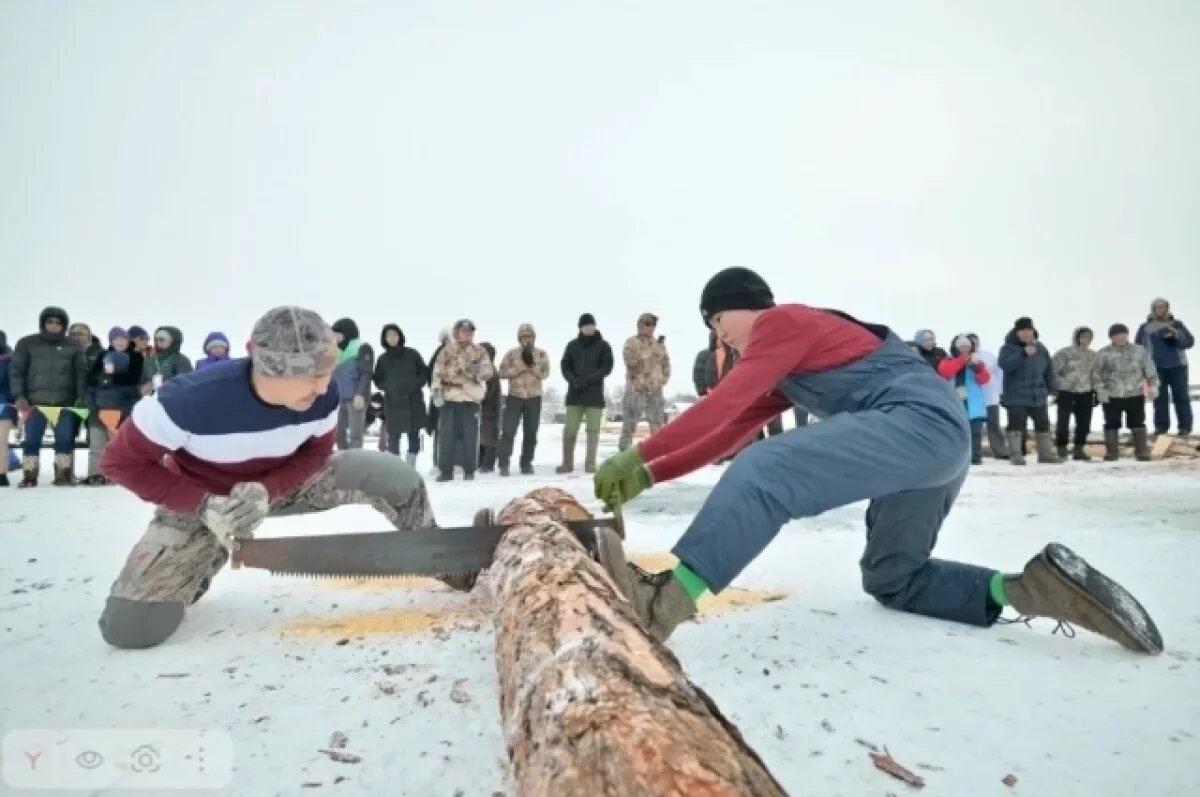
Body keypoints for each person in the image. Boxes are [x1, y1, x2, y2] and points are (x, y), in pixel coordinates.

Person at [590, 267, 1163, 658]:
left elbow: (725, 402)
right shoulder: (790, 360)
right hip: (935, 444)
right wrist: (648, 474)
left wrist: (639, 452)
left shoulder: (780, 323)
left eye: (718, 322)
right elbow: (727, 431)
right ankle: (1034, 591)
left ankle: (662, 603)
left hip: (918, 425)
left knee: (766, 472)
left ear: (740, 309)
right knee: (894, 578)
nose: (722, 337)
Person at [96, 306, 443, 649]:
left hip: (282, 482)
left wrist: (268, 489)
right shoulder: (184, 401)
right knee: (132, 627)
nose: (323, 389)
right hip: (205, 499)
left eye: (327, 373)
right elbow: (120, 462)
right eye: (309, 376)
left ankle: (449, 558)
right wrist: (203, 505)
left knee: (391, 475)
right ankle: (202, 556)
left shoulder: (323, 395)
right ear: (266, 367)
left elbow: (316, 453)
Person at [9, 306, 88, 486]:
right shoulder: (27, 343)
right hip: (34, 403)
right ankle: (29, 475)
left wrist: (80, 396)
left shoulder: (73, 346)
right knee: (31, 441)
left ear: (64, 325)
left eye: (58, 322)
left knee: (64, 440)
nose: (54, 325)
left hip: (64, 403)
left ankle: (63, 475)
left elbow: (81, 374)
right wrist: (19, 395)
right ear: (43, 323)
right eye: (50, 321)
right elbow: (16, 371)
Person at [432, 319, 493, 481]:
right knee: (446, 436)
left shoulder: (480, 351)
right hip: (450, 396)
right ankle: (445, 471)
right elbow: (437, 371)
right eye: (464, 330)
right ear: (456, 332)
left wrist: (476, 370)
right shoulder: (446, 351)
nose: (467, 334)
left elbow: (488, 372)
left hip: (469, 398)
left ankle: (469, 470)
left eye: (470, 331)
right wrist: (437, 393)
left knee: (470, 436)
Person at [998, 317, 1063, 465]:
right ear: (1016, 332)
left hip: (1038, 395)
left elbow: (1048, 370)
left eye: (1029, 330)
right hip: (1016, 396)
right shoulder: (1008, 348)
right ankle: (1016, 455)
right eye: (1022, 330)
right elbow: (1005, 365)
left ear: (1033, 331)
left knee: (1043, 423)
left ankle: (1045, 454)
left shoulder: (1041, 348)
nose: (1026, 333)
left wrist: (1053, 388)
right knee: (1016, 425)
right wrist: (1023, 354)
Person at [83, 327, 142, 485]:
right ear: (111, 341)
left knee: (117, 444)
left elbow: (132, 380)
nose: (120, 342)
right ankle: (95, 474)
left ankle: (116, 474)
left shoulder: (135, 357)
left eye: (123, 339)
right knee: (96, 443)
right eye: (116, 339)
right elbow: (91, 379)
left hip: (121, 408)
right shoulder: (103, 355)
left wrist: (111, 378)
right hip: (98, 407)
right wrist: (92, 401)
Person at [1094, 323, 1159, 461]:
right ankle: (1112, 453)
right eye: (1117, 335)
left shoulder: (1139, 350)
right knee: (1111, 423)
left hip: (1134, 393)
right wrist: (1100, 390)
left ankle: (1141, 452)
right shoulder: (1103, 353)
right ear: (1112, 337)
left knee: (1138, 422)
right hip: (1112, 395)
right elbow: (1096, 374)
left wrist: (1153, 386)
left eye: (1124, 334)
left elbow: (1150, 370)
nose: (1121, 337)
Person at [558, 313, 613, 474]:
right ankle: (567, 463)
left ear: (595, 326)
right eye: (586, 325)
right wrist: (573, 380)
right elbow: (565, 366)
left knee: (593, 430)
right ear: (580, 328)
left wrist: (588, 380)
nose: (589, 327)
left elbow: (606, 367)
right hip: (574, 395)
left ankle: (590, 464)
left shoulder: (604, 346)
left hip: (594, 395)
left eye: (591, 325)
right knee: (570, 429)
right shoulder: (572, 346)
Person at [497, 323, 551, 476]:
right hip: (515, 397)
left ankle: (526, 463)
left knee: (531, 432)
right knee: (508, 431)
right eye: (524, 337)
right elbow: (501, 372)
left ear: (534, 338)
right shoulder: (511, 354)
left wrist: (532, 366)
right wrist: (518, 368)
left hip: (534, 397)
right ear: (519, 338)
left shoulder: (541, 354)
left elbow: (545, 373)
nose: (527, 340)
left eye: (529, 337)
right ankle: (503, 464)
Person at [1135, 298, 1192, 437]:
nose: (1161, 310)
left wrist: (1176, 336)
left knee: (1181, 397)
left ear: (1167, 308)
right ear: (1153, 309)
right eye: (1157, 307)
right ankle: (1161, 427)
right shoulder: (1145, 327)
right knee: (1159, 398)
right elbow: (1138, 348)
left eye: (1163, 307)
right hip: (1156, 368)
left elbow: (1189, 342)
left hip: (1178, 366)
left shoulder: (1176, 324)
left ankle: (1184, 427)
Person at [372, 324, 427, 466]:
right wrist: (388, 387)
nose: (392, 338)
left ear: (400, 336)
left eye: (394, 335)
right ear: (384, 339)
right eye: (388, 336)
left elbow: (424, 372)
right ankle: (395, 467)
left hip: (413, 400)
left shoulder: (412, 354)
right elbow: (377, 379)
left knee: (413, 435)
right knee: (394, 437)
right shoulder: (382, 359)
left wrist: (416, 384)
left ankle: (410, 466)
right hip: (393, 402)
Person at [936, 334, 991, 465]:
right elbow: (945, 372)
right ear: (956, 348)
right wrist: (961, 361)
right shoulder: (948, 360)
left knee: (975, 434)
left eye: (967, 347)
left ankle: (976, 457)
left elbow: (985, 379)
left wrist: (978, 369)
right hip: (955, 404)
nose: (965, 349)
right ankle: (957, 459)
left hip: (974, 405)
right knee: (956, 433)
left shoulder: (978, 361)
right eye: (962, 347)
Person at [619, 313, 671, 451]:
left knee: (657, 427)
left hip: (655, 391)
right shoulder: (631, 343)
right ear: (640, 325)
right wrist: (649, 354)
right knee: (629, 426)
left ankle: (657, 454)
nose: (651, 327)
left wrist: (662, 379)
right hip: (636, 390)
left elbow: (666, 363)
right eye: (648, 324)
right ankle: (624, 453)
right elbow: (631, 363)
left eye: (653, 325)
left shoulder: (659, 345)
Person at [1051, 327, 1098, 461]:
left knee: (1084, 423)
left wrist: (1096, 391)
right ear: (1076, 337)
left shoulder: (1093, 356)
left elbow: (1097, 375)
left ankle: (1079, 449)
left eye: (1089, 338)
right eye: (1083, 337)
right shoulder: (1064, 353)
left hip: (1086, 392)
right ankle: (1061, 449)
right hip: (1066, 392)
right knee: (1063, 423)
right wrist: (1060, 386)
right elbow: (1053, 372)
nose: (1086, 340)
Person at [330, 318, 374, 450]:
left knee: (355, 434)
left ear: (346, 333)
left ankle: (355, 463)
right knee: (338, 434)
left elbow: (366, 373)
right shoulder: (335, 351)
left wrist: (360, 394)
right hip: (339, 399)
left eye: (336, 333)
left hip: (355, 398)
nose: (334, 336)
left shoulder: (362, 347)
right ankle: (344, 462)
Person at [967, 334, 1008, 459]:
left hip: (990, 396)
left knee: (993, 425)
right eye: (971, 342)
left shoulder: (987, 356)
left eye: (976, 341)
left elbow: (999, 373)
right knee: (973, 427)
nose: (974, 344)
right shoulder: (961, 357)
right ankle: (972, 453)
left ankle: (1000, 451)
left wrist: (1000, 390)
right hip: (972, 398)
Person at [478, 342, 502, 472]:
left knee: (489, 439)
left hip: (490, 411)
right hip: (486, 411)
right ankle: (481, 463)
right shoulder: (482, 368)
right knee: (483, 438)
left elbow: (487, 394)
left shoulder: (491, 371)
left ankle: (488, 464)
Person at [0, 330, 12, 487]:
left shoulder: (9, 360)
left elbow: (10, 383)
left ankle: (1, 474)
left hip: (3, 405)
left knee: (1, 441)